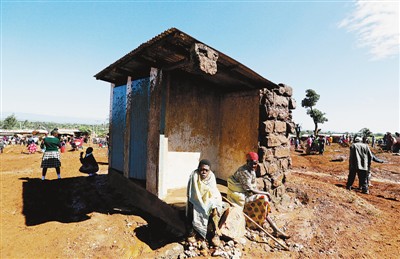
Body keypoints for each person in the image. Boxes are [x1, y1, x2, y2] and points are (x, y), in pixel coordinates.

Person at [227, 152, 289, 239]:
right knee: (263, 198)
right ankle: (275, 229)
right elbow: (250, 189)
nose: (253, 165)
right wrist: (266, 193)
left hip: (247, 192)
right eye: (251, 162)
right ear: (247, 161)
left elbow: (252, 187)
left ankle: (275, 229)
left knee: (263, 199)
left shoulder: (251, 170)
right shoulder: (244, 172)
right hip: (240, 193)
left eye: (255, 163)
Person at [186, 159, 223, 246]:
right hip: (196, 199)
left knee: (215, 208)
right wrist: (201, 204)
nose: (203, 172)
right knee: (192, 207)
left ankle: (215, 234)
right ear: (198, 169)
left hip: (208, 198)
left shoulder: (211, 176)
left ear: (209, 171)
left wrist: (211, 203)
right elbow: (193, 193)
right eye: (202, 169)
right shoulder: (194, 176)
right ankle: (191, 233)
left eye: (206, 170)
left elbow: (213, 192)